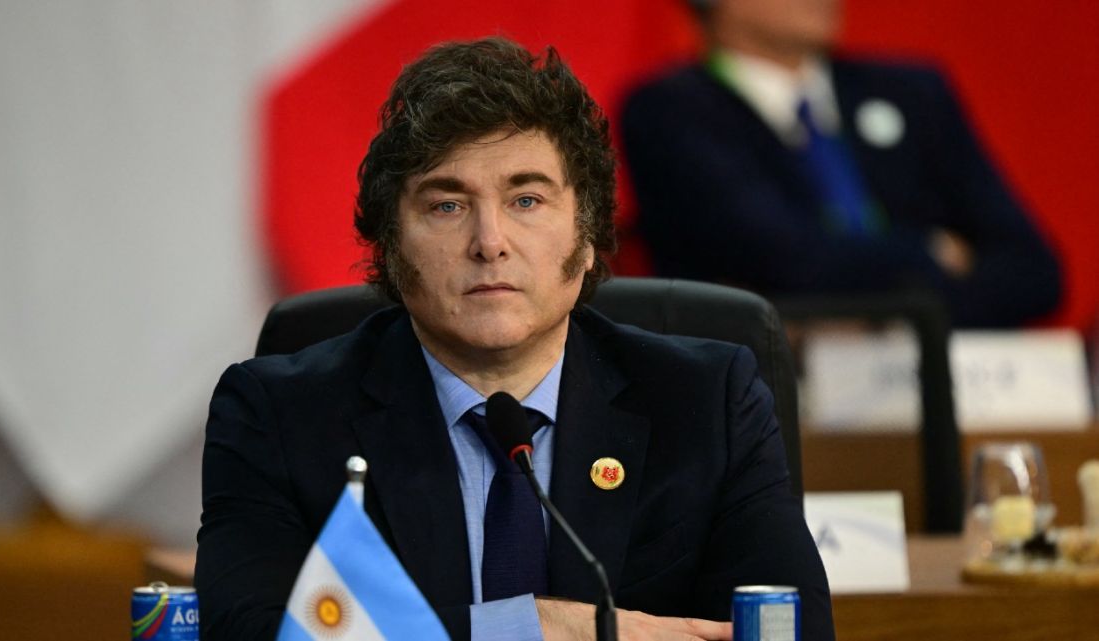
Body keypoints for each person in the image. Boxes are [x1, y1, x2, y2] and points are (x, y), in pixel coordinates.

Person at [195, 37, 834, 641]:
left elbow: (784, 628)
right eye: (447, 205)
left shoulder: (705, 402)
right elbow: (256, 632)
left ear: (585, 240)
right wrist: (534, 627)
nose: (490, 241)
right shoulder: (279, 414)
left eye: (526, 199)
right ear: (390, 250)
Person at [621, 0, 1061, 328]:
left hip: (944, 387)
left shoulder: (914, 93)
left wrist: (893, 325)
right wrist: (931, 252)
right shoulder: (668, 112)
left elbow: (1034, 270)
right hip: (770, 404)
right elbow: (784, 260)